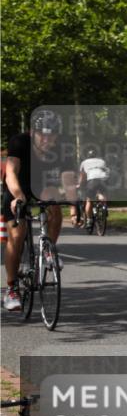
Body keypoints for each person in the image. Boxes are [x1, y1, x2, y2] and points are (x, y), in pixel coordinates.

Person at [3, 110, 77, 311]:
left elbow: (68, 178)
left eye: (52, 134)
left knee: (53, 201)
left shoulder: (63, 147)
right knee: (17, 235)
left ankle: (49, 250)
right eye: (42, 134)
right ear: (32, 132)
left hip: (43, 184)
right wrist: (18, 196)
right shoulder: (20, 142)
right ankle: (11, 289)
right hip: (17, 186)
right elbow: (11, 172)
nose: (47, 139)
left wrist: (73, 205)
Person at [78, 149, 110, 229]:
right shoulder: (102, 161)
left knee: (89, 200)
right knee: (102, 193)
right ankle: (104, 206)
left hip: (92, 180)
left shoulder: (84, 163)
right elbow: (107, 171)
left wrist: (80, 185)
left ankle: (89, 220)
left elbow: (82, 177)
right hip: (103, 179)